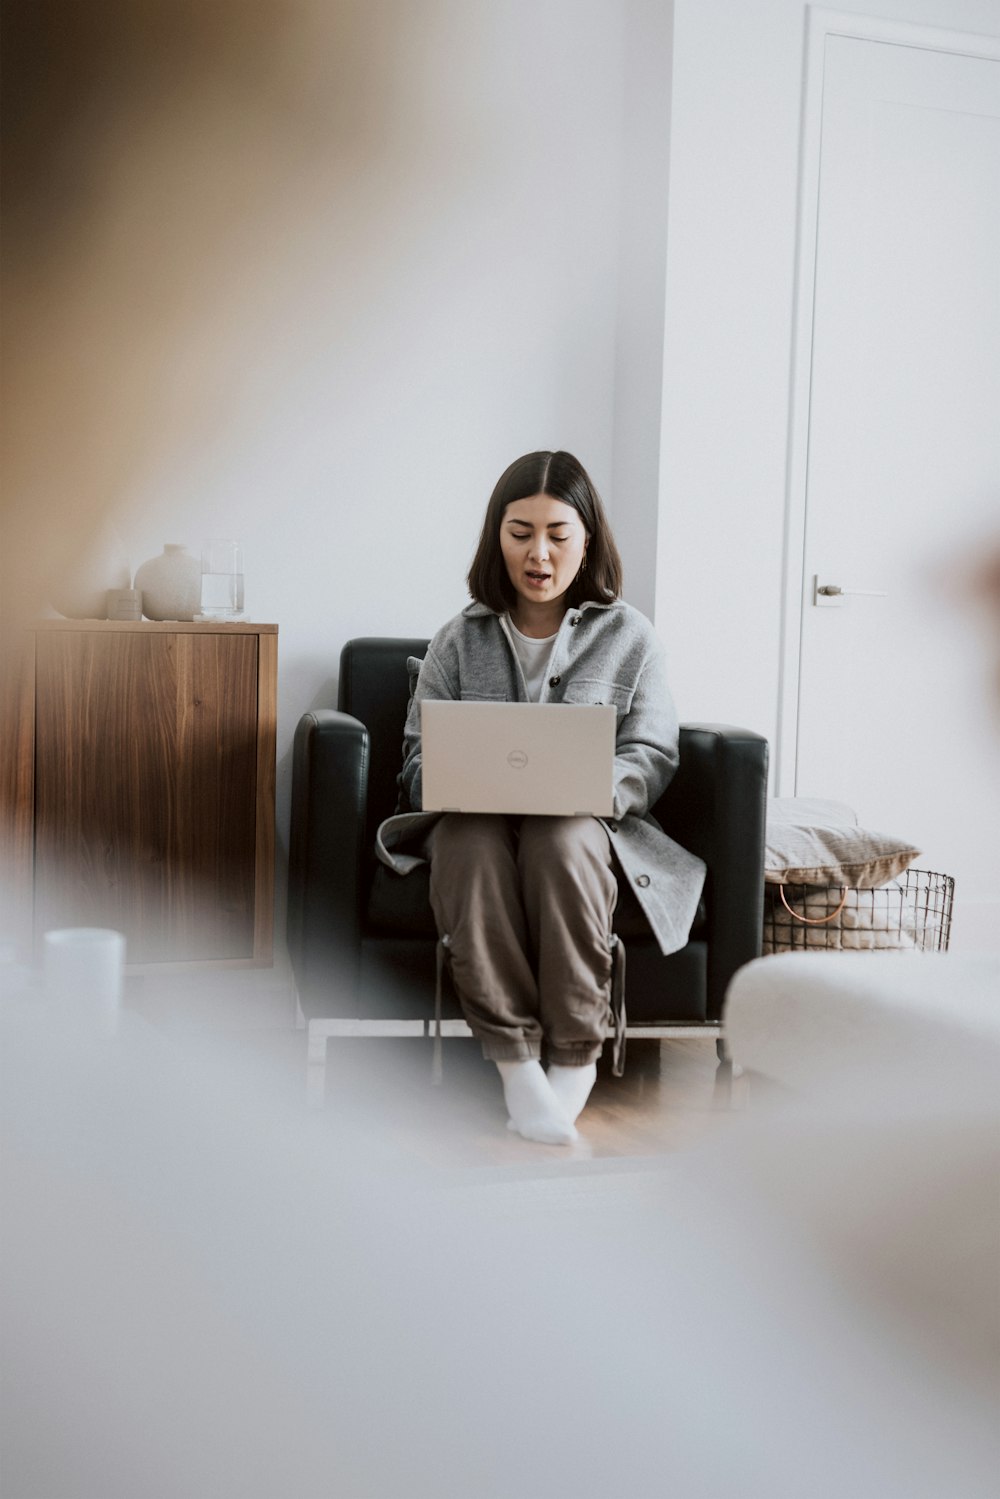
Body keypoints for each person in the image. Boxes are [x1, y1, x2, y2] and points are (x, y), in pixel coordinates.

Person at [376, 451, 706, 1144]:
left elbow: (653, 753)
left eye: (558, 533)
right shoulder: (457, 640)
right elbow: (415, 757)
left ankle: (576, 1059)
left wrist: (589, 787)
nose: (539, 552)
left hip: (586, 824)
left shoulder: (633, 638)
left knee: (560, 837)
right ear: (497, 536)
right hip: (473, 820)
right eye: (520, 531)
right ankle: (518, 1065)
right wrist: (452, 779)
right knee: (466, 843)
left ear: (587, 540)